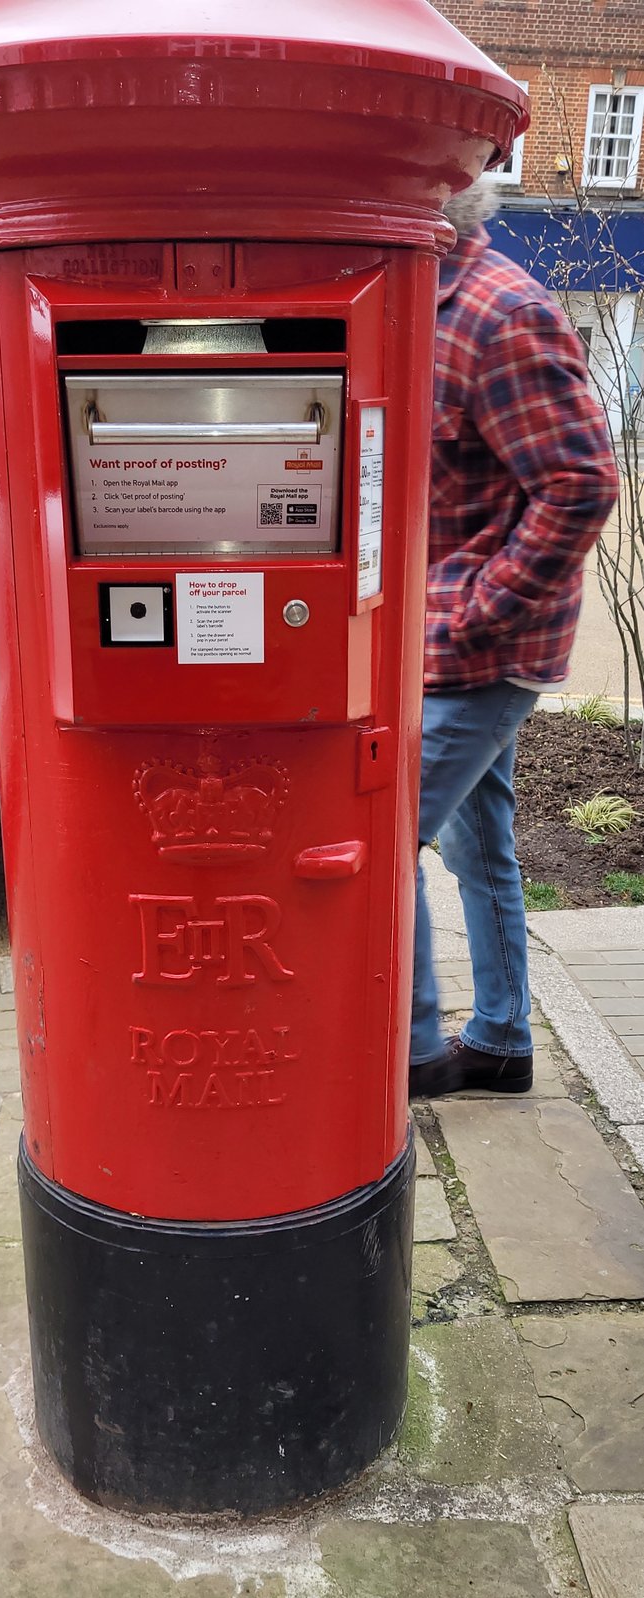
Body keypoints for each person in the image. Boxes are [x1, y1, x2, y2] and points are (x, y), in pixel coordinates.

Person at [409, 175, 618, 1100]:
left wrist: (475, 611)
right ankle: (500, 1041)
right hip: (431, 640)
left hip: (476, 650)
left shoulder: (497, 314)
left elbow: (578, 482)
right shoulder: (409, 299)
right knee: (475, 844)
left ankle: (410, 1050)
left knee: (377, 846)